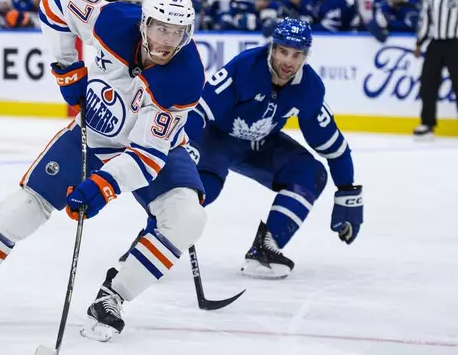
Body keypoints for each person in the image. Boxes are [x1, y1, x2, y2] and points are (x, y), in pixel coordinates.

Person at [0, 0, 206, 343]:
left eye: (177, 32)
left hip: (154, 151)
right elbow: (54, 5)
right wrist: (67, 67)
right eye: (161, 28)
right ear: (144, 23)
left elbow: (144, 158)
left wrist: (102, 186)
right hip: (92, 136)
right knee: (23, 208)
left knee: (187, 219)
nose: (167, 41)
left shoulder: (184, 78)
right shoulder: (113, 20)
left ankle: (112, 297)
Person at [121, 18, 364, 280]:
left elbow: (333, 145)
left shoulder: (309, 88)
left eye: (297, 55)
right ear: (272, 47)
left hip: (261, 145)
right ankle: (151, 241)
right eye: (283, 51)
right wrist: (186, 146)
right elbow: (198, 111)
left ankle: (265, 248)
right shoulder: (245, 67)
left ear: (306, 56)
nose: (288, 61)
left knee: (310, 173)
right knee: (199, 192)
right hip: (217, 140)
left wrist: (347, 190)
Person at [413, 0, 458, 138]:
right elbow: (425, 19)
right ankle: (427, 123)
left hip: (456, 43)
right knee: (427, 85)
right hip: (435, 43)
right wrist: (419, 42)